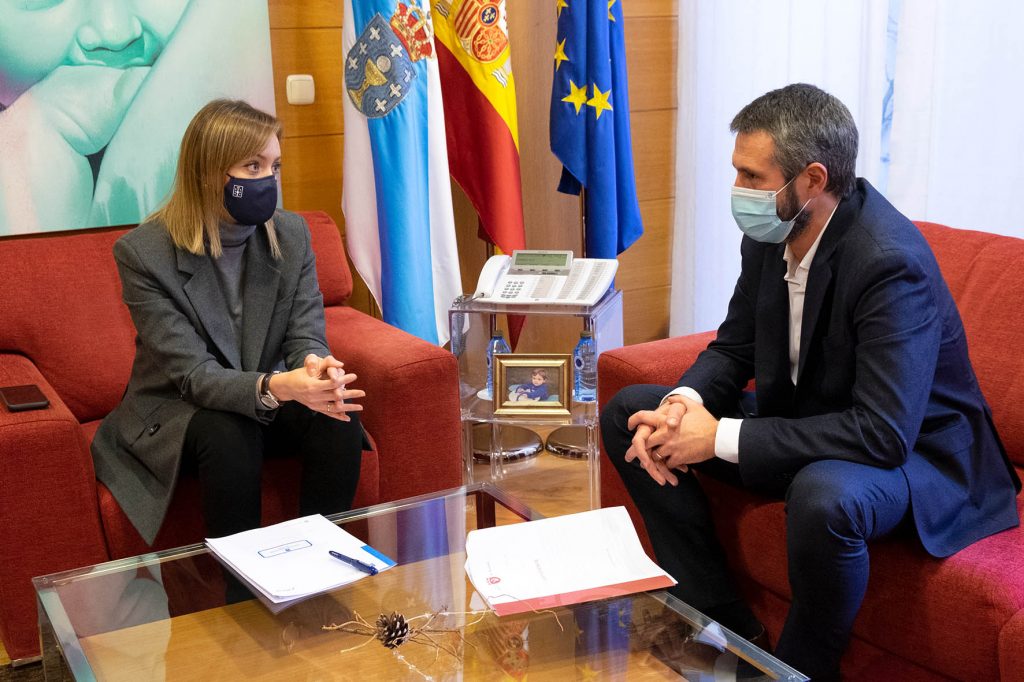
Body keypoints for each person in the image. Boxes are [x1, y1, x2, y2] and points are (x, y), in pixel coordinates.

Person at [601, 83, 1020, 680]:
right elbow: (735, 344)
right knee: (632, 414)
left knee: (824, 495)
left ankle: (795, 671)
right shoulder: (770, 233)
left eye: (751, 177)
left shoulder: (887, 262)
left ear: (812, 180)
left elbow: (881, 433)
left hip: (920, 454)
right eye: (736, 174)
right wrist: (683, 406)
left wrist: (717, 437)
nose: (737, 192)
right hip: (816, 419)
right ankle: (725, 627)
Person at [91, 99, 367, 553]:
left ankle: (323, 563)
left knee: (338, 415)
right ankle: (242, 597)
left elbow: (304, 332)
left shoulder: (292, 234)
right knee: (229, 433)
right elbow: (194, 376)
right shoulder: (143, 254)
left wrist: (315, 368)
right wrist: (280, 385)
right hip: (183, 409)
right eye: (253, 166)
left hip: (267, 392)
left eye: (274, 166)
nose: (268, 180)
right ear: (209, 171)